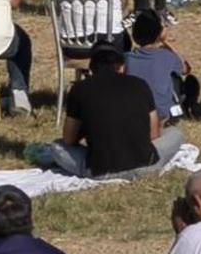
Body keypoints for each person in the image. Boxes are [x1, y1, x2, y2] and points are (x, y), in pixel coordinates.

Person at [34, 44, 181, 179]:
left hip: (101, 171)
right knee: (175, 133)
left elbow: (68, 139)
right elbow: (153, 134)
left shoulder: (80, 89)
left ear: (91, 68)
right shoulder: (139, 84)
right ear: (122, 67)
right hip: (147, 165)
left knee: (57, 146)